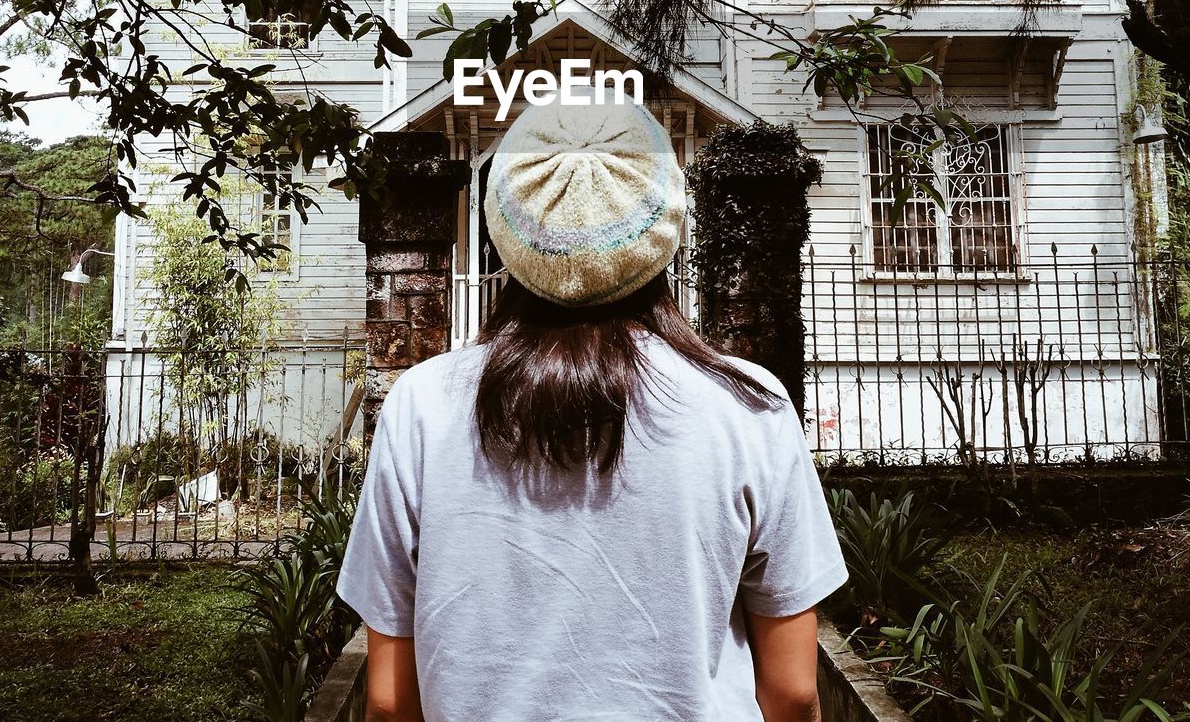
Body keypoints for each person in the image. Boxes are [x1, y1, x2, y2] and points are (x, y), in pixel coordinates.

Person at [337, 92, 848, 722]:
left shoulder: (421, 408)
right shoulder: (750, 407)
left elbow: (389, 700)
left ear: (506, 229)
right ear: (665, 231)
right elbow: (794, 693)